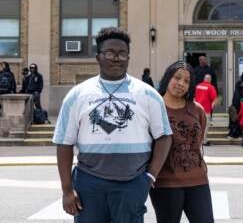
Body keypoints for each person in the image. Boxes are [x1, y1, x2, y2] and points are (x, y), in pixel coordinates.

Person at [52, 27, 173, 223]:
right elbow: (64, 143)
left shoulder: (148, 94)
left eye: (122, 53)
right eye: (109, 53)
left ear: (128, 57)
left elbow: (164, 136)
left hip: (132, 184)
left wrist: (149, 177)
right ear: (98, 57)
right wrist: (67, 190)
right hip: (89, 184)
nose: (116, 58)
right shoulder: (78, 95)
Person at [150, 60, 214, 223]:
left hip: (198, 179)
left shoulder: (196, 109)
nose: (181, 83)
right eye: (177, 78)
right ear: (167, 78)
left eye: (187, 81)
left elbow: (197, 143)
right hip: (165, 182)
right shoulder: (153, 108)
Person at [194, 74, 217, 146]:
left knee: (197, 125)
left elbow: (193, 98)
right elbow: (214, 100)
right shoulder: (210, 87)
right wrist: (212, 108)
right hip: (206, 110)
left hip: (197, 110)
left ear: (204, 79)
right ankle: (204, 141)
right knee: (205, 126)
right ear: (209, 79)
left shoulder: (197, 86)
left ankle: (196, 140)